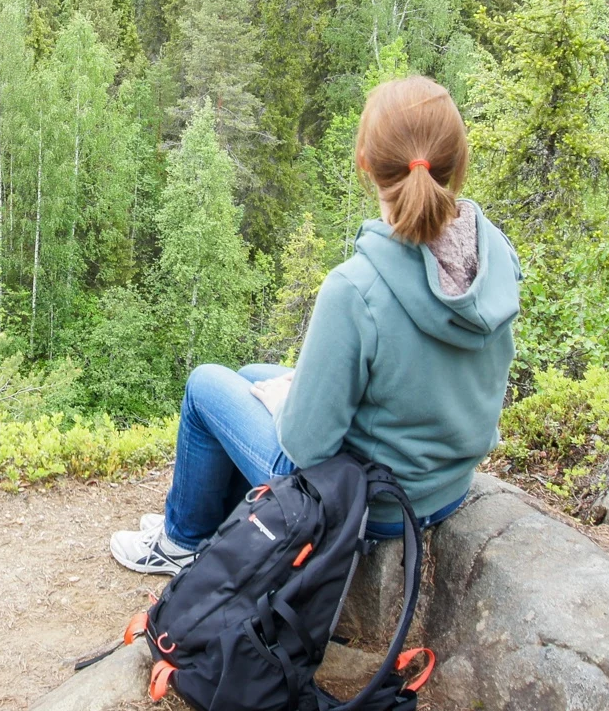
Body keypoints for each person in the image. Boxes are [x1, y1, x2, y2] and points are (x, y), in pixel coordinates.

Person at [111, 75, 521, 574]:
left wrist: (289, 401)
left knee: (206, 388)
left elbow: (305, 447)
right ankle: (230, 525)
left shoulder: (356, 288)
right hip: (445, 484)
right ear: (456, 162)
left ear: (365, 163)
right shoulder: (495, 255)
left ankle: (182, 542)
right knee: (250, 376)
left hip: (369, 506)